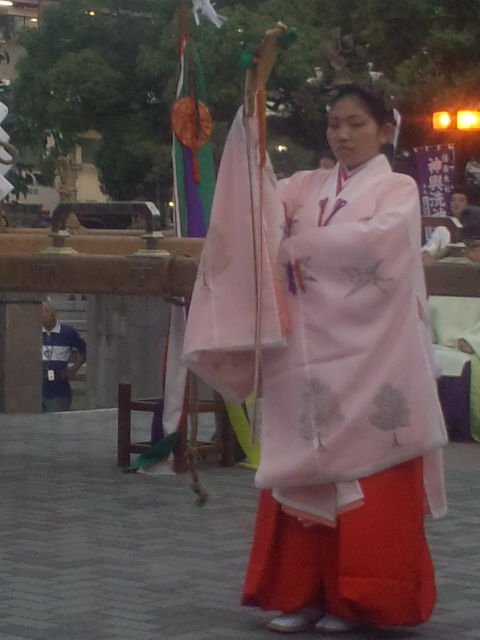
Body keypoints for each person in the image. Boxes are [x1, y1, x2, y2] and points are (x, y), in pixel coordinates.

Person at [183, 84, 447, 633]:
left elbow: (379, 248)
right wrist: (248, 140)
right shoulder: (305, 186)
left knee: (368, 476)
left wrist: (296, 252)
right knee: (303, 468)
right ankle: (303, 594)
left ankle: (357, 601)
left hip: (375, 360)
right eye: (334, 124)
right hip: (306, 360)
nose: (343, 135)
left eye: (356, 124)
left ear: (385, 131)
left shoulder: (397, 189)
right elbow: (256, 213)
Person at [42, 300, 87, 412]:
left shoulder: (68, 332)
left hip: (59, 390)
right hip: (37, 389)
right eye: (40, 312)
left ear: (54, 312)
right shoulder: (33, 332)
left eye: (46, 311)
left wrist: (74, 369)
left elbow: (85, 351)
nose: (43, 315)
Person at [422, 190, 468, 263]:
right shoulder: (444, 228)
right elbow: (432, 246)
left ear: (468, 204)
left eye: (461, 201)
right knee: (442, 230)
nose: (456, 204)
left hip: (467, 261)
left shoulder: (474, 224)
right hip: (444, 263)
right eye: (453, 200)